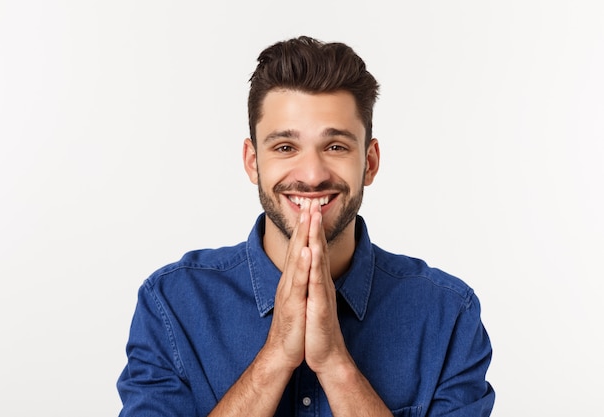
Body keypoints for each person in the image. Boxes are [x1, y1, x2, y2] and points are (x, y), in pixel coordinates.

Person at [117, 35, 495, 417]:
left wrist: (335, 363)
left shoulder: (448, 314)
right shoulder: (172, 304)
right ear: (252, 161)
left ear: (370, 162)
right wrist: (276, 355)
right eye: (285, 147)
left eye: (335, 147)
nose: (312, 176)